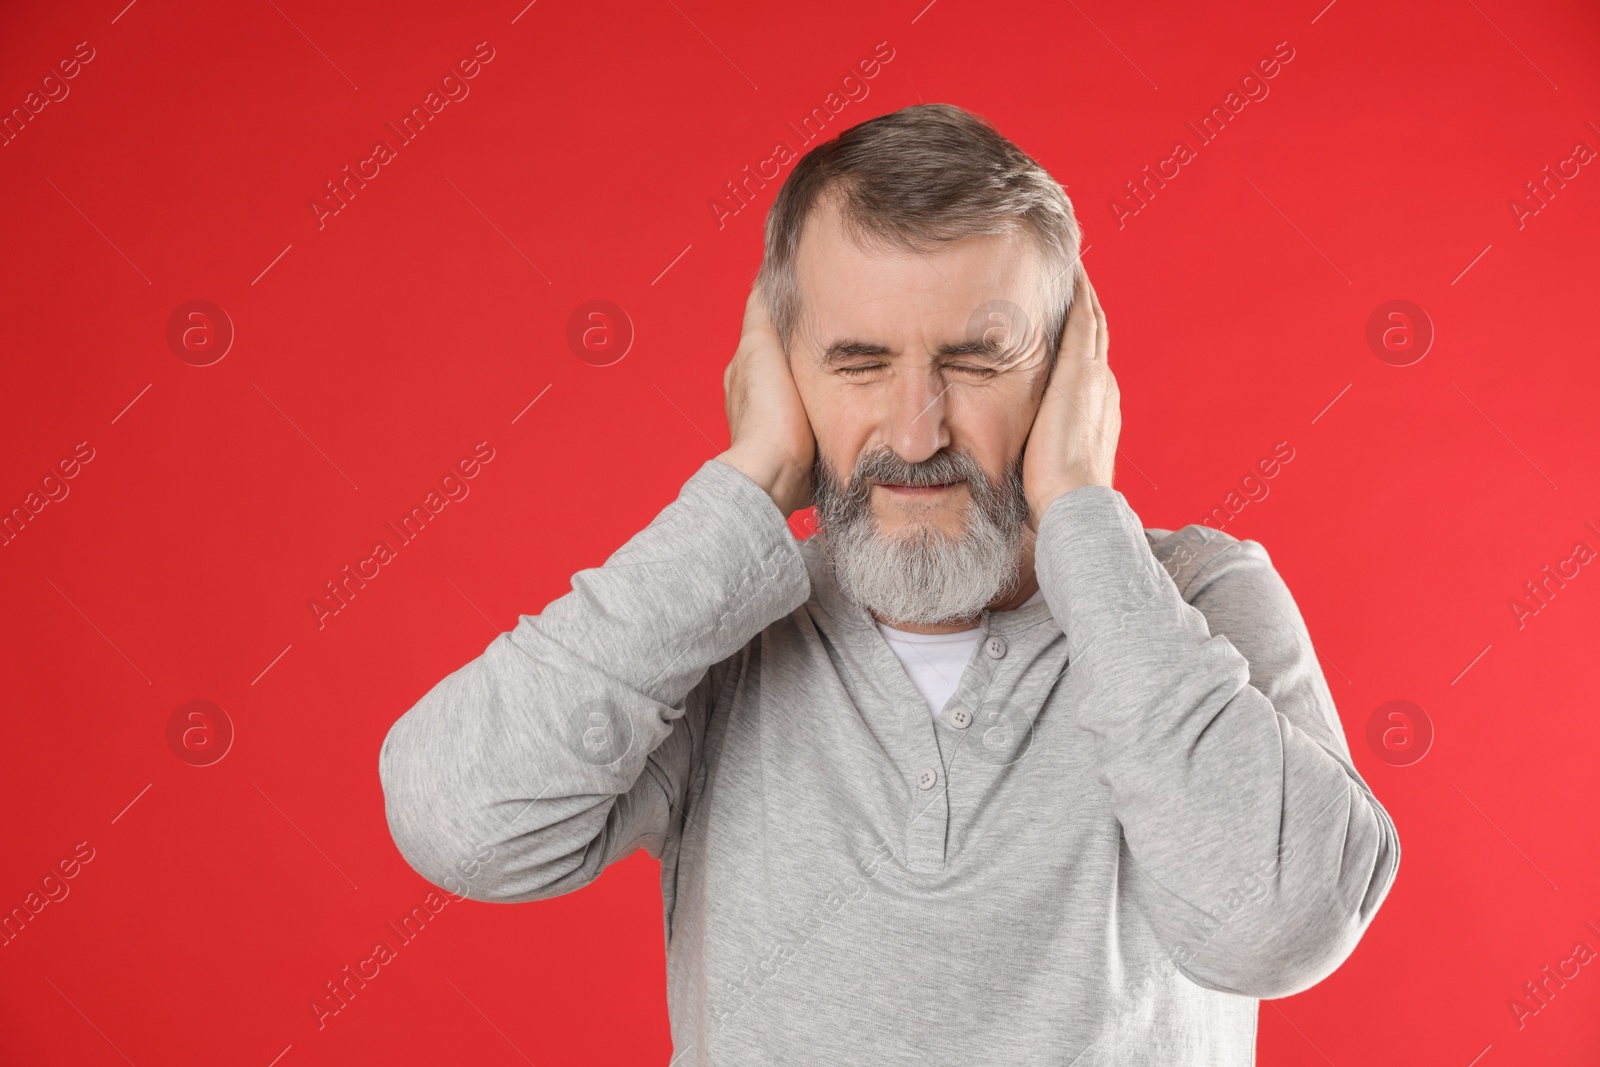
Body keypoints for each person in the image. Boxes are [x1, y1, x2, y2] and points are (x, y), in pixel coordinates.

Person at [379, 103, 1400, 1065]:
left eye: (978, 360)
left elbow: (1281, 926)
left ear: (1071, 376)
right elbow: (461, 827)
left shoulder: (1196, 596)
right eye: (858, 363)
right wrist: (744, 489)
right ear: (777, 374)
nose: (917, 433)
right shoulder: (718, 619)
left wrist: (1085, 516)